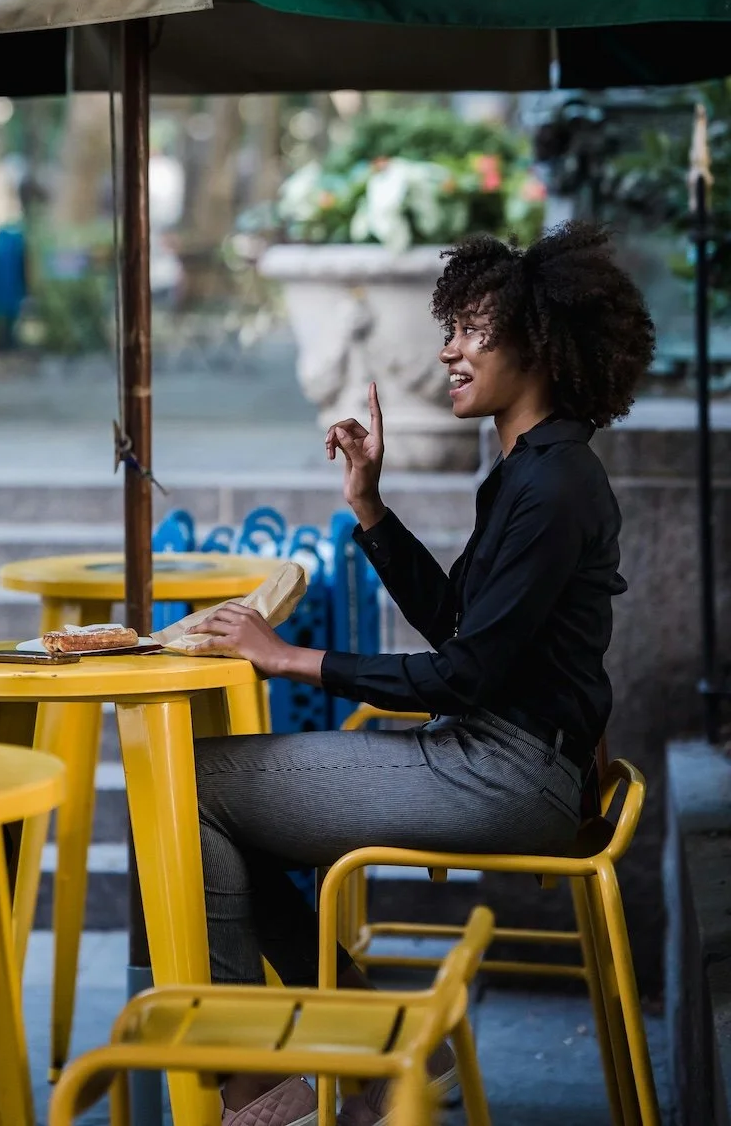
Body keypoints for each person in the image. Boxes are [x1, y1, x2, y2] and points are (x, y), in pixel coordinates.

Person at [190, 223, 656, 1126]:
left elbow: (465, 672)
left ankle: (252, 1083)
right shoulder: (529, 469)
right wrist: (369, 507)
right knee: (225, 810)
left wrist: (288, 657)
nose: (447, 348)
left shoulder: (555, 487)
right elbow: (460, 627)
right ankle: (375, 1049)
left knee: (196, 786)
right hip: (504, 756)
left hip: (506, 772)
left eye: (473, 329)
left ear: (540, 343)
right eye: (452, 328)